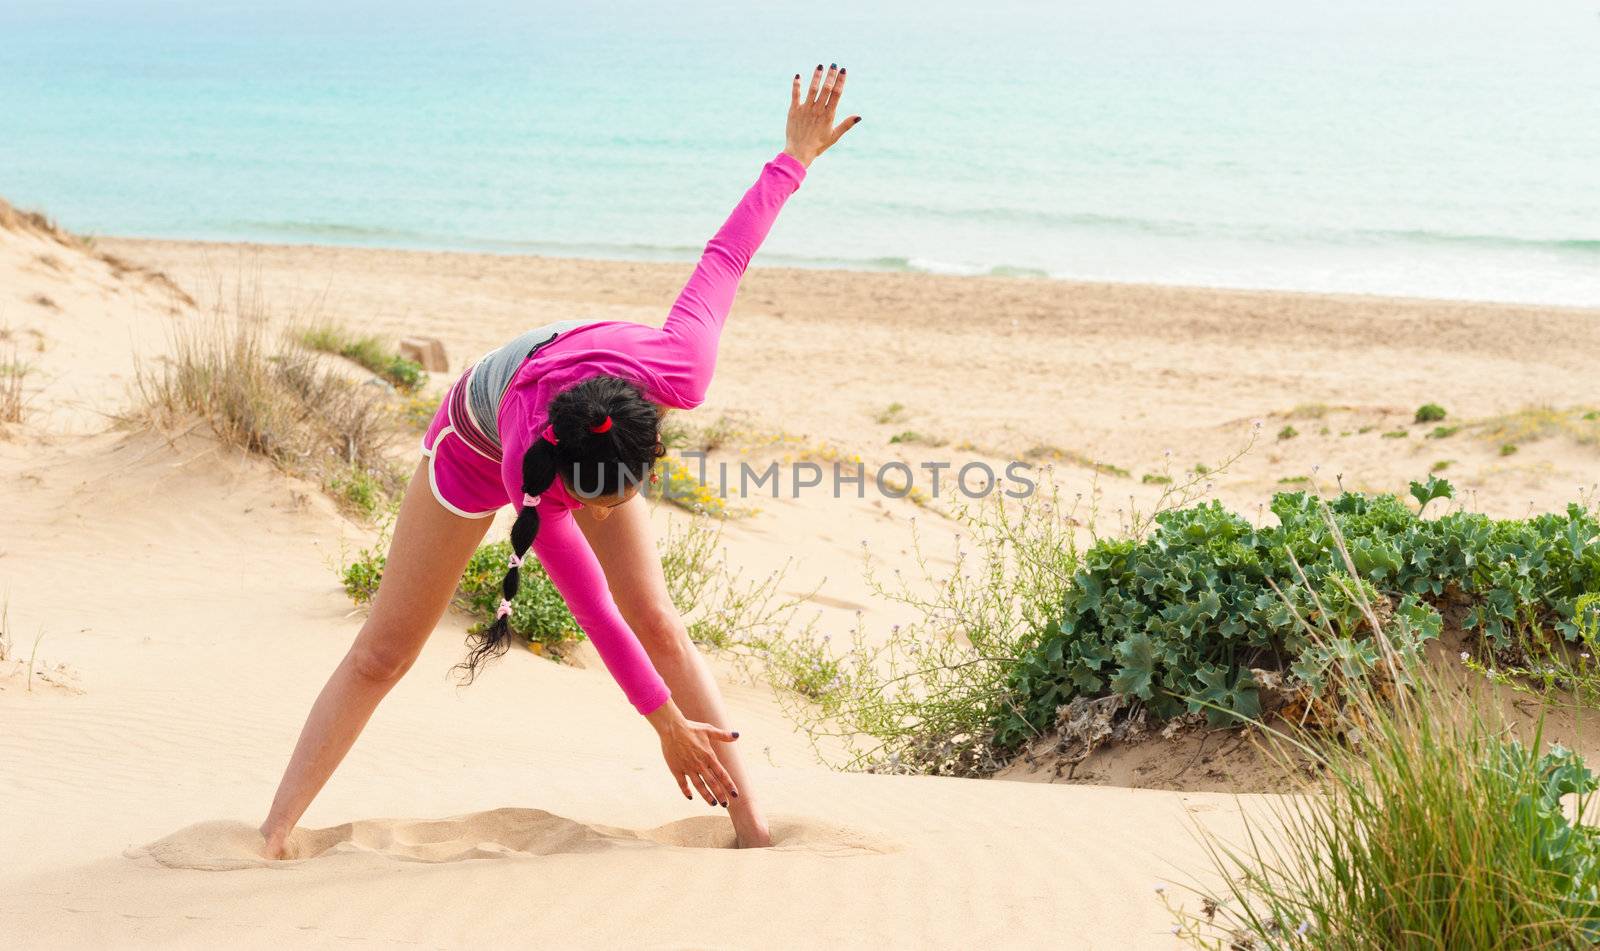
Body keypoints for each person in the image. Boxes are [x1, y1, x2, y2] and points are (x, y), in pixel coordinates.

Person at [259, 64, 860, 855]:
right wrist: (662, 724)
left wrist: (794, 158)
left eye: (615, 501)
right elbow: (591, 609)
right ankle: (270, 836)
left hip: (591, 423)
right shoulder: (527, 470)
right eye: (591, 504)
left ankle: (754, 831)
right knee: (384, 651)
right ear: (559, 474)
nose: (603, 516)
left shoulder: (679, 367)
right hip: (471, 446)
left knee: (661, 619)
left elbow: (725, 257)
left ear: (650, 444)